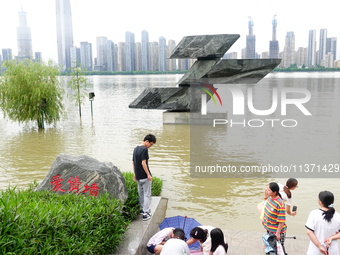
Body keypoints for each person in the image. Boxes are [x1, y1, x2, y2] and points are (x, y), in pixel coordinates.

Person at [305, 191, 340, 255]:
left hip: (316, 250)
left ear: (320, 202)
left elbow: (309, 232)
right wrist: (331, 238)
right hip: (332, 251)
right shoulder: (338, 216)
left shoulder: (314, 213)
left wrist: (319, 246)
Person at [132, 134, 156, 221]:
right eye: (151, 144)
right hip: (144, 176)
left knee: (141, 193)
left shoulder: (136, 149)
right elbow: (143, 163)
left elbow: (133, 163)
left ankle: (142, 209)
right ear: (146, 141)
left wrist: (135, 174)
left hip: (138, 176)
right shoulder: (144, 149)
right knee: (147, 194)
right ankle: (146, 213)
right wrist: (148, 174)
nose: (150, 146)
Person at [262, 182, 287, 255]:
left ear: (274, 192)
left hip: (276, 231)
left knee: (278, 250)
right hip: (269, 229)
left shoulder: (280, 204)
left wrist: (278, 233)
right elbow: (266, 210)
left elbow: (281, 220)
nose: (267, 190)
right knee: (270, 248)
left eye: (269, 190)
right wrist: (264, 219)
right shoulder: (269, 198)